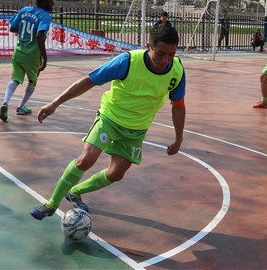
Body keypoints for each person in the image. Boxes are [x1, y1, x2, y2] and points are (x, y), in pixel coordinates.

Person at [30, 24, 186, 219]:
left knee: (116, 174)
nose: (165, 60)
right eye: (160, 53)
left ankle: (75, 192)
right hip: (110, 119)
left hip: (136, 130)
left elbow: (178, 106)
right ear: (149, 47)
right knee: (86, 160)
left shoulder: (177, 71)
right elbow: (89, 80)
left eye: (171, 54)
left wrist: (179, 138)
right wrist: (55, 103)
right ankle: (52, 204)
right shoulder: (128, 62)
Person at [0, 0, 54, 122]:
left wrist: (25, 29)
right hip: (32, 56)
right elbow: (40, 36)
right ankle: (21, 107)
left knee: (15, 79)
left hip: (18, 53)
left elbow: (12, 28)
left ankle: (5, 102)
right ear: (43, 3)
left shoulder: (24, 10)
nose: (53, 3)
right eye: (51, 1)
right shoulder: (45, 16)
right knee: (32, 81)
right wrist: (45, 58)